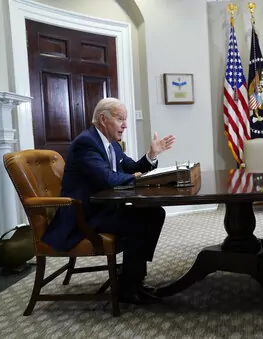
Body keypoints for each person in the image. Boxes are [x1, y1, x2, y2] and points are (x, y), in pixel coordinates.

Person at [43, 97, 176, 305]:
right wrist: (139, 179)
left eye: (125, 119)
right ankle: (128, 287)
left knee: (155, 212)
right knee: (140, 221)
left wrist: (152, 155)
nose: (125, 125)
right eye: (120, 119)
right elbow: (108, 179)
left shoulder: (112, 145)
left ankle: (133, 278)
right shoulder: (86, 143)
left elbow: (131, 167)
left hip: (104, 209)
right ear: (103, 119)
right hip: (85, 215)